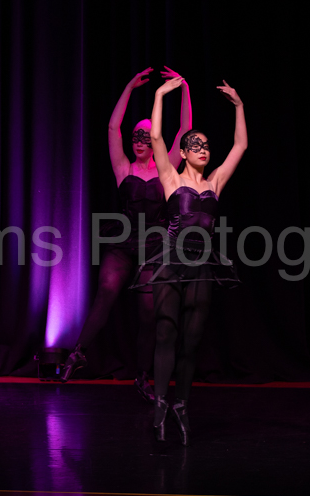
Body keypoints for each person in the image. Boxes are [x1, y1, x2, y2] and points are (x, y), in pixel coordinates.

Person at [59, 67, 193, 402]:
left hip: (155, 244)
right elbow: (112, 127)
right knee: (106, 291)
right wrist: (130, 87)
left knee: (148, 312)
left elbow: (184, 131)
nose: (139, 141)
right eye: (136, 136)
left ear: (154, 141)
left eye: (146, 137)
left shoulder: (166, 167)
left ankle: (142, 375)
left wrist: (185, 90)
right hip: (124, 240)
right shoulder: (123, 168)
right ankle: (78, 353)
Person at [138, 76, 246, 443]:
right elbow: (156, 137)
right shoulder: (170, 177)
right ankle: (160, 405)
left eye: (205, 145)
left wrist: (239, 106)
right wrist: (159, 95)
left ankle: (181, 405)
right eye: (194, 145)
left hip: (201, 266)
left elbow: (241, 145)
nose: (202, 149)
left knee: (192, 340)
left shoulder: (215, 183)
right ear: (183, 153)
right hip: (171, 262)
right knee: (166, 333)